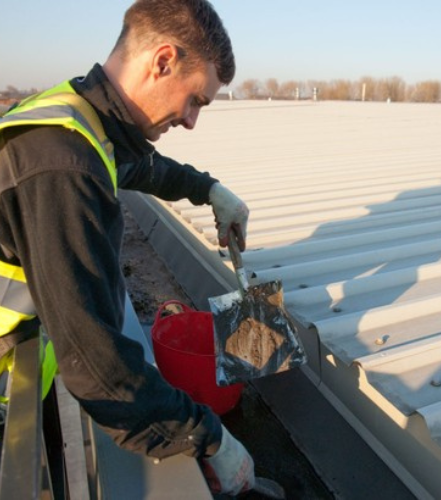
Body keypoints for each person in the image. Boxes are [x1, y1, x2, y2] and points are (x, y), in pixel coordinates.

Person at [0, 0, 254, 495]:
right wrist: (209, 437)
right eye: (196, 100)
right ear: (162, 61)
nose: (190, 120)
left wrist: (209, 190)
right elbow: (98, 367)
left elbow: (140, 167)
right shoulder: (63, 167)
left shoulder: (78, 119)